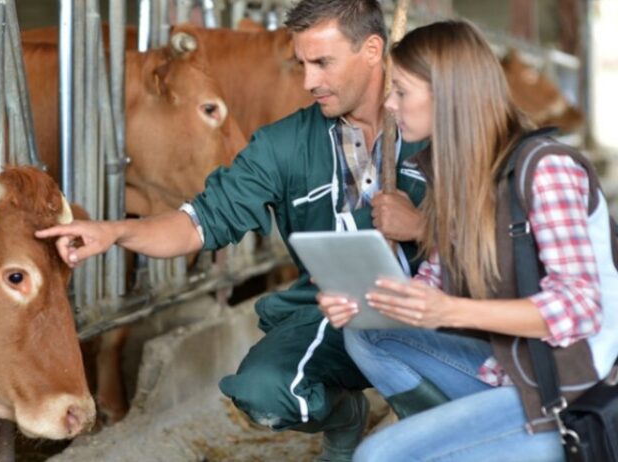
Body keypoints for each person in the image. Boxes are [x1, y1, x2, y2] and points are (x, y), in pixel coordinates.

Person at [37, 1, 431, 459]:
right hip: (333, 314)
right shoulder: (284, 144)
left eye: (323, 63)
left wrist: (421, 226)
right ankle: (345, 416)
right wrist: (115, 232)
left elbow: (499, 239)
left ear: (372, 50)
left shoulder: (434, 125)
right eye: (302, 64)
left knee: (453, 408)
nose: (309, 82)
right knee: (261, 392)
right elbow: (196, 224)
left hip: (436, 309)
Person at [319, 20, 618, 461]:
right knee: (369, 337)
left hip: (572, 394)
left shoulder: (546, 170)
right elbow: (434, 282)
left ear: (447, 95)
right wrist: (367, 300)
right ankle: (464, 442)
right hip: (512, 370)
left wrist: (451, 310)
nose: (389, 103)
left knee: (377, 457)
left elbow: (578, 306)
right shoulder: (459, 178)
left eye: (401, 90)